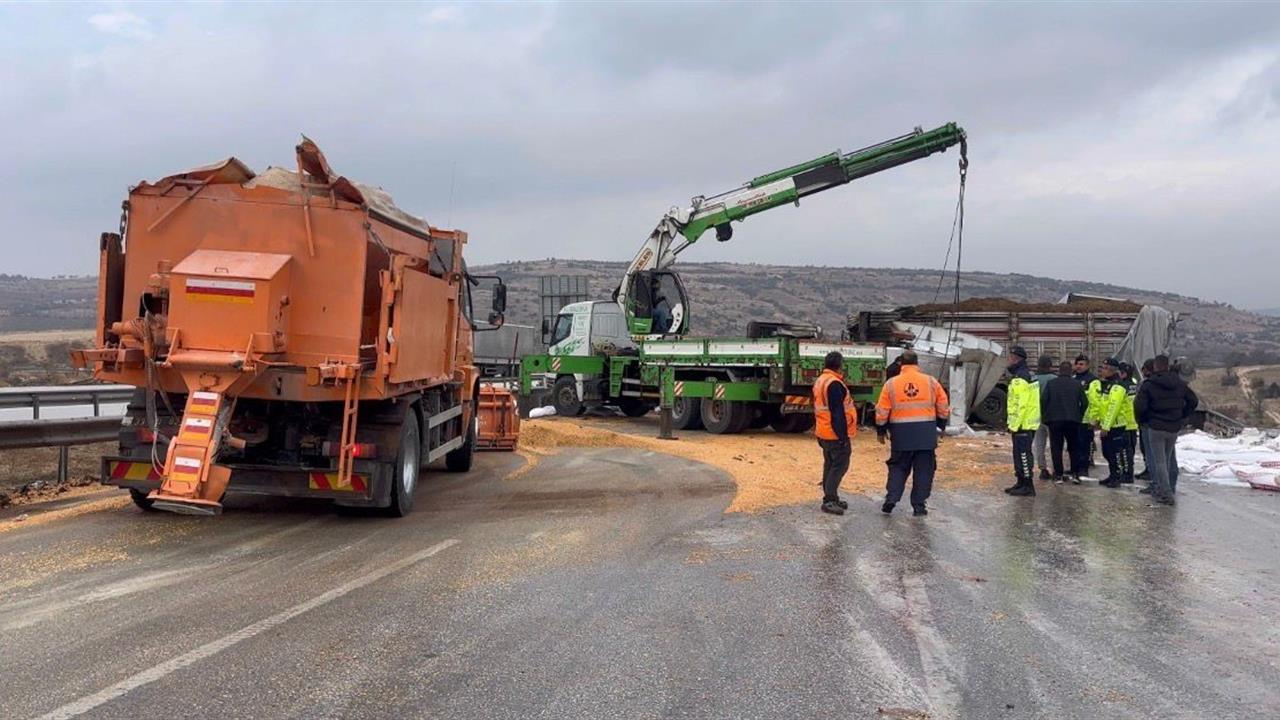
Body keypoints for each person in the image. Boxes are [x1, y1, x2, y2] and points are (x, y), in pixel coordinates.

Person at [874, 350, 949, 516]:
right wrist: (941, 426)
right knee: (924, 470)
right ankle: (919, 506)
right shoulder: (931, 381)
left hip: (901, 435)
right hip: (926, 434)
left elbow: (882, 411)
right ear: (917, 363)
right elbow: (943, 406)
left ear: (901, 364)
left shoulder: (891, 384)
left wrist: (881, 430)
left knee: (898, 467)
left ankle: (891, 499)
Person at [1135, 354, 1199, 506]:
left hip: (1155, 426)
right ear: (1167, 366)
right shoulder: (1179, 383)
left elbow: (1140, 406)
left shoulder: (1149, 384)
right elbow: (1193, 401)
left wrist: (1143, 420)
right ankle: (1170, 487)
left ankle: (1165, 493)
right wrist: (1183, 415)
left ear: (1155, 366)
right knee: (1169, 458)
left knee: (1159, 461)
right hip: (1173, 427)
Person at [813, 351, 857, 515]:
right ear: (840, 365)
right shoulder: (834, 384)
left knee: (830, 464)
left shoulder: (821, 380)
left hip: (823, 431)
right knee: (839, 465)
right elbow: (837, 413)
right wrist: (843, 437)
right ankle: (829, 500)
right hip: (833, 432)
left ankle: (831, 496)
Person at [1042, 361, 1088, 483]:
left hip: (1054, 420)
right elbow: (1085, 402)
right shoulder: (1077, 384)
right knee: (1074, 447)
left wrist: (1045, 416)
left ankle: (1058, 474)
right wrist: (1079, 415)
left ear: (1059, 371)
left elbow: (1043, 400)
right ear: (1070, 371)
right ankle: (1075, 473)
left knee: (1056, 447)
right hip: (1073, 420)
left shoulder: (1051, 384)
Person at [1004, 346, 1041, 497]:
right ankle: (1020, 482)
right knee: (1018, 454)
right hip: (1023, 424)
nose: (1008, 360)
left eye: (1010, 357)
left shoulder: (1021, 377)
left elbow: (1021, 404)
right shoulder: (1022, 375)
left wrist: (1014, 425)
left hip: (1023, 425)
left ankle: (1028, 485)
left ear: (1015, 358)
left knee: (1024, 455)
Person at [1096, 358, 1130, 489]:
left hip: (1115, 425)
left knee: (1114, 452)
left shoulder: (1117, 386)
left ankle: (1116, 477)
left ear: (1111, 370)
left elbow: (1113, 407)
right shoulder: (1108, 384)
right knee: (1107, 452)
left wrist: (1106, 426)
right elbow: (1104, 405)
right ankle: (1112, 474)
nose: (1102, 371)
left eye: (1104, 368)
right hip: (1108, 424)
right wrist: (1099, 419)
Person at [1073, 354, 1101, 479]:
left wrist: (1094, 419)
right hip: (1074, 418)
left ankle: (1084, 468)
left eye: (1081, 364)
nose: (1078, 366)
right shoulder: (1073, 378)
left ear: (1087, 365)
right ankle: (1076, 467)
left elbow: (1095, 401)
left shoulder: (1093, 380)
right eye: (1077, 364)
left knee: (1085, 444)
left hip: (1086, 419)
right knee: (1074, 445)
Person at [1032, 354, 1058, 480]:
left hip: (1037, 416)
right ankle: (1056, 470)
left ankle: (1043, 469)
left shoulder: (1033, 379)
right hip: (1052, 416)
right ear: (1050, 365)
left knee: (1039, 445)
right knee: (1055, 444)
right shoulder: (1054, 379)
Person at [1117, 362, 1139, 484]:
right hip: (1134, 422)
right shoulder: (1135, 384)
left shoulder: (1121, 387)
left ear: (1123, 373)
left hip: (1124, 422)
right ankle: (1129, 472)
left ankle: (1127, 475)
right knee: (1131, 450)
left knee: (1125, 451)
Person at [1135, 359, 1155, 481]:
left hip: (1147, 422)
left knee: (1149, 450)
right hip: (1159, 422)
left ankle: (1152, 474)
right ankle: (1149, 470)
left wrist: (1140, 418)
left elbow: (1140, 404)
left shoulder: (1146, 384)